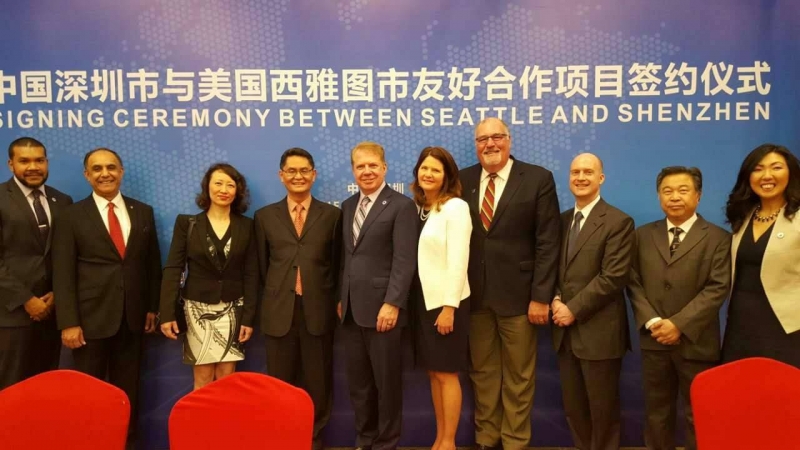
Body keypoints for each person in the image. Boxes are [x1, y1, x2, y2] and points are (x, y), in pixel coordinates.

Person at [459, 117, 561, 450]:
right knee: (482, 374)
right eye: (482, 139)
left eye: (496, 137)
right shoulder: (462, 180)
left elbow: (548, 241)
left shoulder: (537, 179)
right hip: (475, 297)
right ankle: (486, 439)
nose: (490, 144)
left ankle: (515, 442)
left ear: (509, 139)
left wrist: (541, 296)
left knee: (519, 377)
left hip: (521, 299)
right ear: (476, 145)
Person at [53, 148, 162, 447]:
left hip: (133, 320)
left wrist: (152, 308)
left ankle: (125, 443)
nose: (105, 174)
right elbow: (62, 273)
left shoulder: (142, 211)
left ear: (121, 171)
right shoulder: (71, 216)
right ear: (87, 175)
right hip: (89, 323)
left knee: (128, 393)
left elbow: (152, 265)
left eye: (111, 167)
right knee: (90, 394)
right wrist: (69, 322)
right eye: (97, 169)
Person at [627, 166, 731, 450]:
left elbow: (717, 288)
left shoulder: (719, 238)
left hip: (697, 343)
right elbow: (632, 282)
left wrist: (679, 325)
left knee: (699, 413)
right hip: (654, 339)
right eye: (667, 191)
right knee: (656, 413)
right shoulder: (641, 235)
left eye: (683, 190)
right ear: (659, 196)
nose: (674, 197)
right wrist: (652, 321)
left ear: (698, 195)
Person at [254, 148, 343, 450]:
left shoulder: (333, 216)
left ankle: (313, 441)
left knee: (319, 383)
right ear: (281, 176)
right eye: (291, 171)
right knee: (280, 385)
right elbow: (261, 268)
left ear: (314, 174)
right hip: (279, 312)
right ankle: (284, 440)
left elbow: (338, 265)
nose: (298, 176)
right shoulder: (264, 217)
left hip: (318, 312)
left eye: (304, 170)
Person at [552, 153, 634, 450]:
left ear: (601, 178)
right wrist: (555, 298)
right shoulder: (560, 221)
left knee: (603, 411)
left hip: (599, 333)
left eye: (588, 172)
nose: (580, 177)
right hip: (564, 334)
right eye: (575, 172)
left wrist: (572, 309)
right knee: (574, 409)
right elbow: (550, 267)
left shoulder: (618, 221)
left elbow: (613, 277)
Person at [339, 141, 417, 450]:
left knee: (387, 386)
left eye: (373, 165)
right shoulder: (347, 206)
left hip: (384, 311)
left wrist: (393, 303)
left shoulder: (401, 205)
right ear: (353, 170)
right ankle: (364, 440)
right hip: (351, 312)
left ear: (384, 168)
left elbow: (404, 260)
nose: (367, 171)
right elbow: (348, 258)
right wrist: (341, 298)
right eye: (360, 166)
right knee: (359, 386)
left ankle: (386, 444)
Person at [159, 163, 257, 389]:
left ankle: (225, 415)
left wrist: (248, 318)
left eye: (230, 185)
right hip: (197, 310)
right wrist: (166, 313)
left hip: (233, 310)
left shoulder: (247, 226)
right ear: (207, 187)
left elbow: (252, 273)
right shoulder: (188, 223)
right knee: (202, 379)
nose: (224, 190)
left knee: (227, 379)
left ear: (238, 191)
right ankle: (201, 415)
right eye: (218, 183)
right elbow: (173, 268)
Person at [410, 146, 471, 450]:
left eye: (436, 169)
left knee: (447, 373)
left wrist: (450, 308)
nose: (428, 174)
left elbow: (459, 260)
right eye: (424, 168)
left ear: (447, 176)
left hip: (446, 304)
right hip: (423, 302)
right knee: (434, 373)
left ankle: (449, 443)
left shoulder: (456, 207)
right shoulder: (419, 208)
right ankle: (439, 439)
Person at [0, 137, 72, 390]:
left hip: (52, 313)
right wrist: (27, 300)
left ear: (46, 163)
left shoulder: (62, 201)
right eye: (25, 161)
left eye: (39, 160)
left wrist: (57, 295)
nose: (33, 167)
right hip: (10, 315)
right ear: (11, 164)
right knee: (10, 389)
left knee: (45, 389)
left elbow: (66, 255)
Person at [722, 144, 800, 368]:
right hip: (740, 325)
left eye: (776, 167)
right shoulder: (744, 215)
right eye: (758, 169)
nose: (767, 175)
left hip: (786, 327)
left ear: (791, 173)